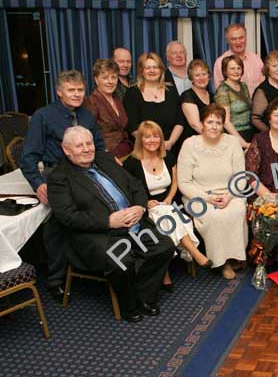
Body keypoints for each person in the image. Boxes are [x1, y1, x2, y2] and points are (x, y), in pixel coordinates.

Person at [47, 126, 174, 322]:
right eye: (79, 146)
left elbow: (135, 185)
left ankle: (144, 296)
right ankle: (129, 306)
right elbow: (67, 216)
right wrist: (108, 221)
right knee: (123, 260)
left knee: (164, 246)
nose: (87, 149)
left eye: (89, 143)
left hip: (133, 223)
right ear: (66, 150)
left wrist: (140, 207)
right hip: (97, 235)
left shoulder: (105, 159)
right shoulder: (59, 178)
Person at [20, 70, 106, 302]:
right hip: (56, 177)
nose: (77, 94)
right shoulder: (43, 116)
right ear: (59, 92)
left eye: (80, 90)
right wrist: (38, 184)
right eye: (71, 90)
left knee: (94, 215)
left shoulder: (88, 116)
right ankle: (56, 280)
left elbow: (99, 146)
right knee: (57, 228)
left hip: (86, 174)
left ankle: (89, 266)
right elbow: (28, 157)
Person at [123, 121, 212, 291]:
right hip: (147, 208)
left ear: (161, 138)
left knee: (168, 215)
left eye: (155, 136)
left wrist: (170, 197)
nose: (152, 140)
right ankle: (194, 253)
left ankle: (164, 272)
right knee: (167, 216)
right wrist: (145, 202)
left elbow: (175, 181)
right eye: (147, 136)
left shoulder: (168, 156)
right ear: (140, 139)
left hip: (169, 202)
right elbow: (129, 191)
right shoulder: (132, 164)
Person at [178, 104, 248, 280]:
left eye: (219, 122)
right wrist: (207, 198)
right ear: (202, 123)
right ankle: (223, 262)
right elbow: (184, 183)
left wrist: (230, 196)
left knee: (237, 210)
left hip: (230, 192)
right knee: (215, 217)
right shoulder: (189, 144)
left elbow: (240, 178)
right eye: (210, 122)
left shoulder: (232, 142)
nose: (214, 126)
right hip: (199, 195)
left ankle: (237, 256)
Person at [123, 52, 185, 155]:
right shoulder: (132, 93)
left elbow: (180, 121)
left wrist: (170, 143)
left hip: (171, 148)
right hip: (144, 150)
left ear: (161, 70)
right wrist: (153, 144)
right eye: (147, 68)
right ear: (141, 71)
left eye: (155, 67)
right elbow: (132, 126)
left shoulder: (170, 90)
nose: (152, 71)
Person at [84, 59, 132, 157]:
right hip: (107, 154)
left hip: (126, 148)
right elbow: (88, 133)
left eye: (113, 77)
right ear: (96, 80)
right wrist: (106, 157)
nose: (110, 82)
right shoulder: (91, 102)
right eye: (105, 78)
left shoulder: (117, 98)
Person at [214, 54, 255, 142]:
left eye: (239, 68)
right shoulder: (222, 90)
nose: (236, 71)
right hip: (233, 136)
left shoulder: (243, 86)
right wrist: (242, 142)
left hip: (250, 132)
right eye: (232, 68)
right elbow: (225, 122)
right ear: (225, 71)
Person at [213, 24, 265, 91]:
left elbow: (263, 87)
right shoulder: (220, 62)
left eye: (241, 38)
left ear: (246, 38)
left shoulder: (256, 60)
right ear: (227, 41)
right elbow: (219, 92)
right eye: (234, 39)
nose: (238, 42)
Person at [180, 59, 213, 140]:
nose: (201, 78)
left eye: (204, 74)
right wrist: (214, 139)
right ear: (192, 78)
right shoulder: (187, 96)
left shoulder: (212, 96)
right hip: (194, 142)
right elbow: (195, 125)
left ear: (208, 76)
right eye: (197, 75)